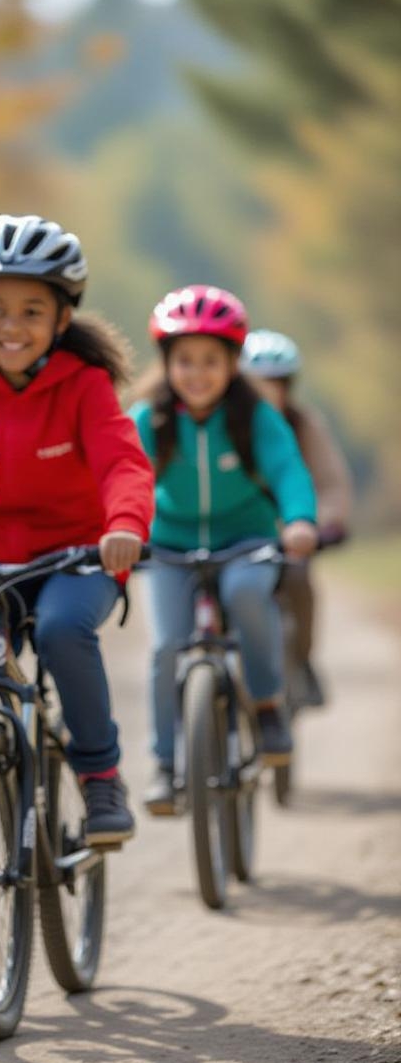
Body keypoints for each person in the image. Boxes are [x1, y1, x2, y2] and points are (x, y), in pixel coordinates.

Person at [0, 213, 154, 846]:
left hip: (75, 559)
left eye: (31, 311)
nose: (12, 327)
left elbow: (123, 463)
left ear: (61, 319)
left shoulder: (84, 385)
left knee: (61, 629)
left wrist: (125, 525)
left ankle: (100, 777)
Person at [129, 286, 318, 816]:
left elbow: (288, 472)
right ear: (166, 363)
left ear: (234, 363)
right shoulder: (150, 419)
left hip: (246, 540)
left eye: (211, 361)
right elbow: (123, 479)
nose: (196, 373)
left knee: (248, 596)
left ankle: (267, 704)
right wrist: (118, 529)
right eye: (184, 360)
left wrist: (300, 521)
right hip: (169, 543)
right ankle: (166, 766)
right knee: (167, 647)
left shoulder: (255, 417)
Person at [241, 329, 352, 707]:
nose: (269, 391)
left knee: (300, 578)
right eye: (258, 383)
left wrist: (323, 524)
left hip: (289, 535)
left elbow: (330, 482)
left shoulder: (305, 425)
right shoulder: (226, 425)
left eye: (277, 382)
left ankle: (301, 660)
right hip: (234, 535)